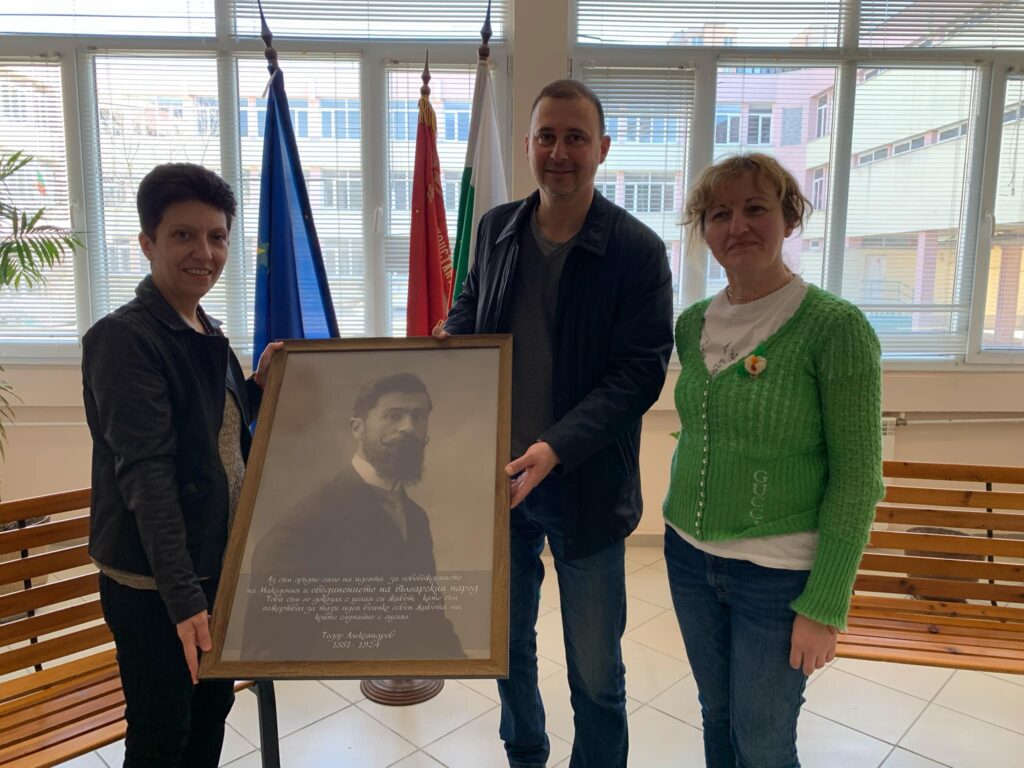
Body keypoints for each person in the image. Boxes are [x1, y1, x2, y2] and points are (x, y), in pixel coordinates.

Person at [437, 79, 674, 768]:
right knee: (508, 649)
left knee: (596, 671)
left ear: (603, 148)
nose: (560, 152)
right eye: (547, 136)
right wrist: (450, 336)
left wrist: (556, 447)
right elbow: (473, 305)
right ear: (528, 145)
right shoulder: (496, 229)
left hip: (587, 486)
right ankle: (526, 754)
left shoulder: (636, 250)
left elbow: (639, 373)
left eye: (576, 137)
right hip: (500, 483)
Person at [662, 152, 884, 768]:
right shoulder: (692, 324)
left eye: (755, 208)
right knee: (717, 714)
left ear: (789, 219)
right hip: (688, 557)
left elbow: (858, 480)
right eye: (719, 214)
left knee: (762, 740)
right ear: (704, 231)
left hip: (778, 576)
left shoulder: (835, 328)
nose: (737, 226)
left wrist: (826, 604)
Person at [82, 163, 280, 768]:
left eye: (217, 237)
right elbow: (148, 475)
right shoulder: (125, 338)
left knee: (209, 715)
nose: (205, 252)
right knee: (161, 734)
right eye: (184, 235)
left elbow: (209, 432)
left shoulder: (203, 327)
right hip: (157, 585)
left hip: (214, 566)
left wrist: (257, 389)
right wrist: (185, 599)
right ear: (148, 243)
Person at [241, 372, 464, 661]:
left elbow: (429, 617)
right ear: (357, 428)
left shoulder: (416, 518)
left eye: (418, 417)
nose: (409, 428)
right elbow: (266, 650)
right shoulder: (301, 527)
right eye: (394, 416)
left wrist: (464, 664)